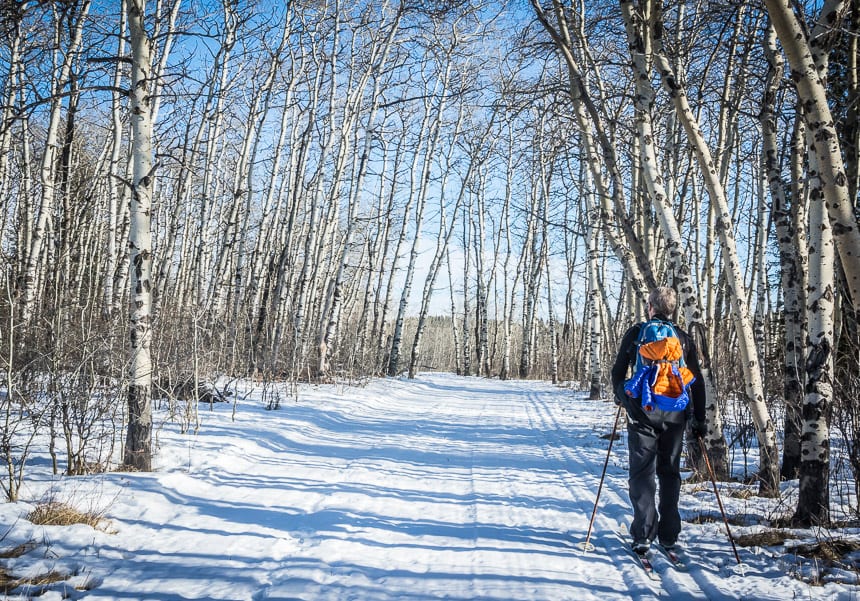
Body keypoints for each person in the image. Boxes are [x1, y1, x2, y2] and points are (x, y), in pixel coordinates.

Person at [610, 286, 707, 557]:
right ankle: (669, 536)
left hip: (643, 410)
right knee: (670, 472)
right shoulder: (683, 338)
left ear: (650, 307)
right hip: (675, 413)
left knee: (642, 474)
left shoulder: (636, 333)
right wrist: (699, 419)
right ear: (673, 309)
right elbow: (696, 382)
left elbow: (618, 371)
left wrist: (624, 398)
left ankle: (643, 536)